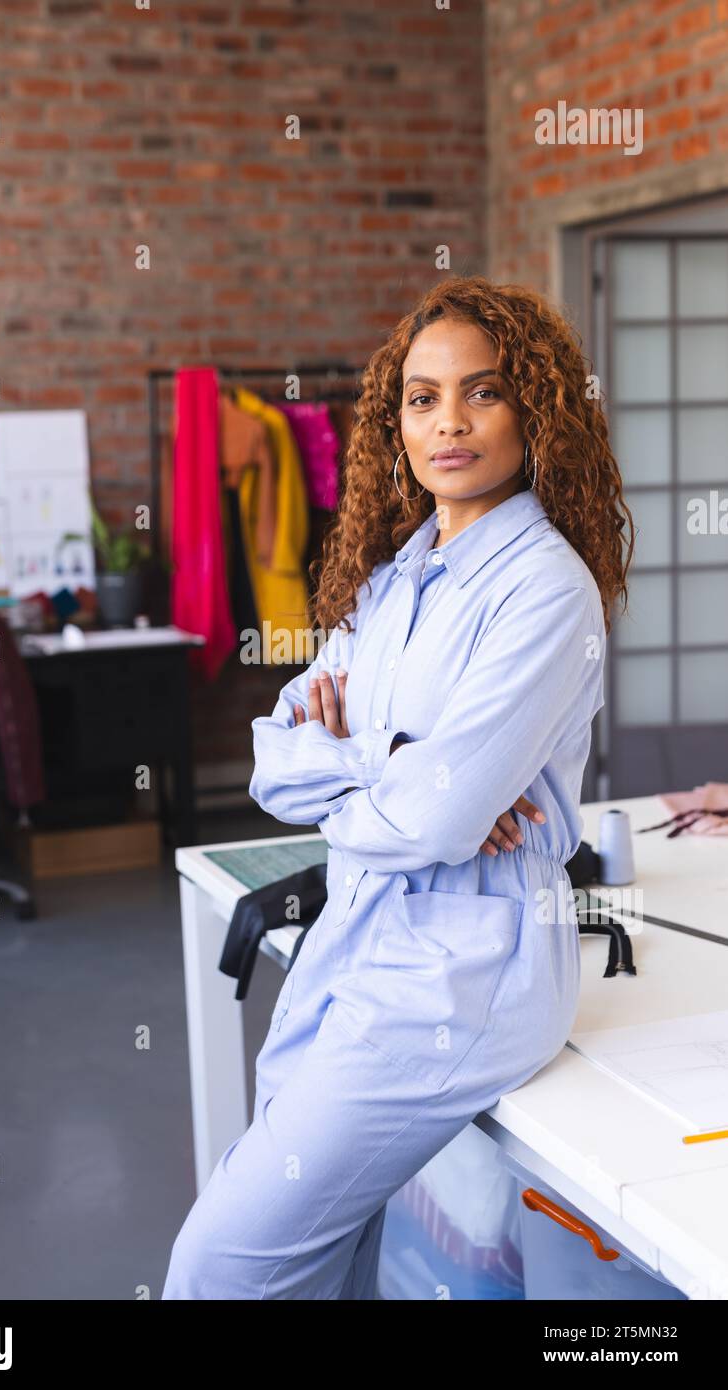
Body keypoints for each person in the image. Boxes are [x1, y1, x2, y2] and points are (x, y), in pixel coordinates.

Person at [162, 275, 634, 1300]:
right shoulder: (390, 579)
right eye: (422, 397)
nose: (449, 422)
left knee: (219, 1267)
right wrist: (402, 759)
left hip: (461, 971)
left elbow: (440, 813)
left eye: (484, 391)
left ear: (537, 409)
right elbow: (274, 760)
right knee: (331, 1253)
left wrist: (410, 782)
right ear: (396, 421)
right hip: (360, 934)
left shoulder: (545, 590)